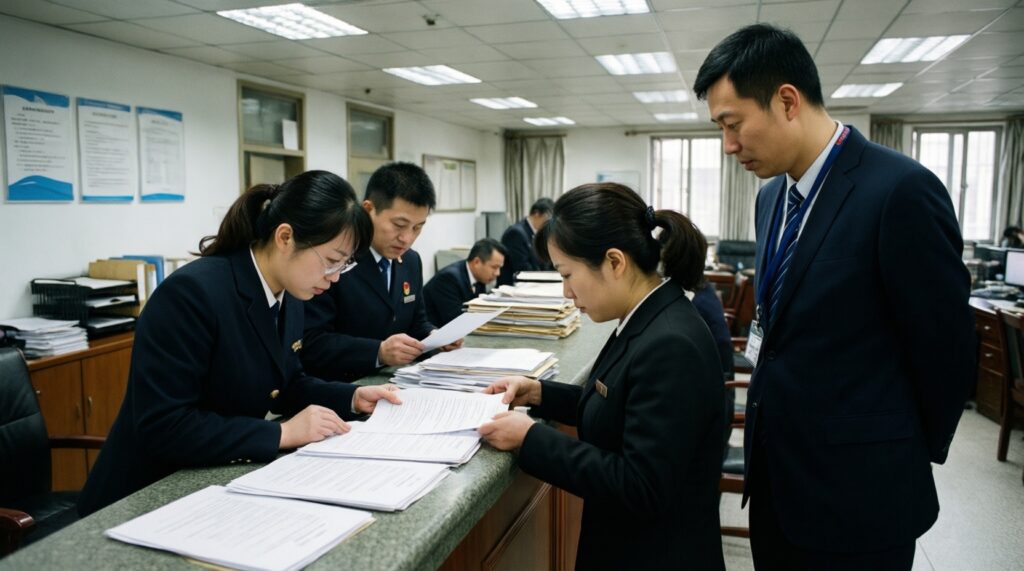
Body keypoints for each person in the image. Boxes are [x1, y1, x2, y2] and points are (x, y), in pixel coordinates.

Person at [694, 24, 975, 569]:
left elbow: (947, 351)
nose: (728, 145)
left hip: (862, 498)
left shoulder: (899, 190)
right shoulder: (772, 197)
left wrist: (899, 452)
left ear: (788, 101)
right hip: (776, 484)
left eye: (733, 124)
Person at [78, 170, 403, 516]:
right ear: (285, 237)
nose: (336, 277)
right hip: (143, 495)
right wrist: (281, 433)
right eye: (331, 261)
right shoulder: (193, 294)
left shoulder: (289, 293)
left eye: (345, 265)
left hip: (212, 480)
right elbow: (165, 426)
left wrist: (351, 397)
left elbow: (287, 383)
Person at [478, 183, 725, 570]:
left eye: (568, 274)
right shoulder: (647, 314)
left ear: (614, 262)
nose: (566, 292)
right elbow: (620, 404)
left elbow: (640, 485)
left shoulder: (670, 344)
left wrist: (531, 438)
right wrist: (540, 392)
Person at [302, 162, 460, 383]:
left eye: (417, 227)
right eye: (399, 224)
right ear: (368, 210)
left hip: (396, 382)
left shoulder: (410, 261)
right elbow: (311, 342)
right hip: (338, 388)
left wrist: (435, 337)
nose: (407, 238)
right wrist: (378, 352)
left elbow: (416, 322)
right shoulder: (335, 261)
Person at [423, 238, 507, 326]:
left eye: (499, 268)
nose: (498, 273)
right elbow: (456, 321)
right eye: (494, 267)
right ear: (477, 262)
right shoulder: (449, 279)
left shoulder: (479, 277)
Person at [497, 197, 554, 286]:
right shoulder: (516, 233)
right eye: (547, 220)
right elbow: (522, 268)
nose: (547, 225)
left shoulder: (535, 233)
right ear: (536, 214)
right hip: (512, 288)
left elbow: (544, 261)